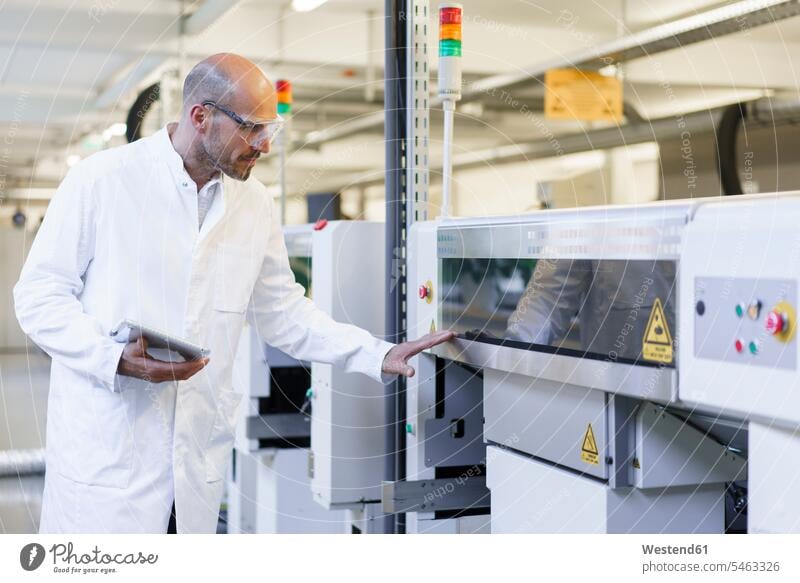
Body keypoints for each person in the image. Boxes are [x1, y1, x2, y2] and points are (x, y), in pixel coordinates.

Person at [14, 53, 453, 534]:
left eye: (272, 129)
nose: (265, 144)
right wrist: (113, 357)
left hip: (194, 465)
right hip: (107, 461)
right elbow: (38, 296)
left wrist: (377, 352)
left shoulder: (254, 203)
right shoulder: (101, 180)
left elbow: (284, 312)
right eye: (253, 128)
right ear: (201, 117)